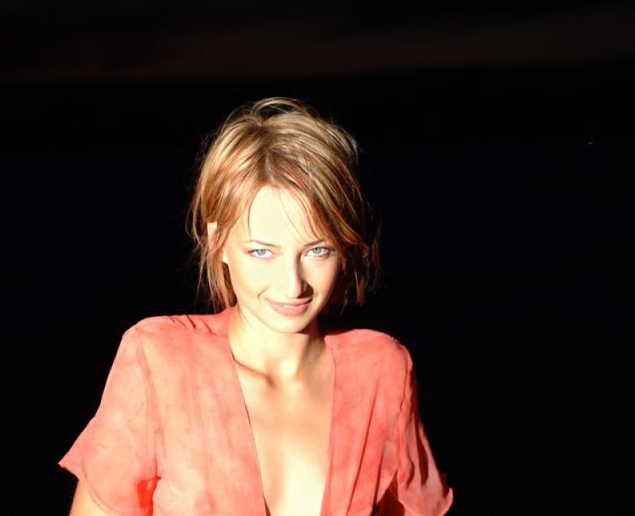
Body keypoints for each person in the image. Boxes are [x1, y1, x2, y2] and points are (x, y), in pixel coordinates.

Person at [59, 97, 453, 515]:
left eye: (317, 250)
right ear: (218, 242)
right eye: (262, 251)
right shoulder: (160, 360)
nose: (292, 285)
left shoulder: (380, 371)